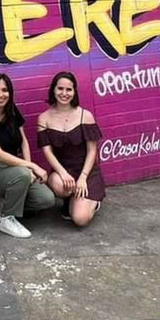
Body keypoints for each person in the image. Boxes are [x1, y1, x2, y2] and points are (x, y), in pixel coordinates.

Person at [0, 73, 55, 238]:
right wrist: (30, 167)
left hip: (14, 169)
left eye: (5, 90)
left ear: (10, 93)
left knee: (46, 199)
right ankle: (5, 218)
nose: (1, 94)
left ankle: (5, 203)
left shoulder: (12, 111)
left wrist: (29, 168)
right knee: (22, 174)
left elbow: (23, 141)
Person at [38, 71, 105, 227]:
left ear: (74, 92)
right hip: (64, 171)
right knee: (56, 183)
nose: (64, 93)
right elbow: (47, 152)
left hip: (86, 172)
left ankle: (92, 203)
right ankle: (71, 198)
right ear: (53, 90)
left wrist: (83, 177)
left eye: (69, 89)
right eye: (60, 88)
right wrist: (62, 172)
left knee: (80, 219)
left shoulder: (85, 116)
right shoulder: (44, 118)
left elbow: (92, 151)